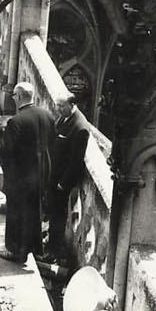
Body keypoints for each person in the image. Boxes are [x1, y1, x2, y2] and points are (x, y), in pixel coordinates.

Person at [0, 81, 53, 263]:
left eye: (14, 96)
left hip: (21, 177)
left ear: (18, 97)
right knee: (34, 213)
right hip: (40, 175)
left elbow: (7, 148)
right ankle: (33, 249)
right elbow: (53, 144)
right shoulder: (47, 116)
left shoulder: (17, 121)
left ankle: (16, 250)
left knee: (16, 212)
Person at [45, 92, 92, 266]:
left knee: (58, 216)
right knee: (52, 213)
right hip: (53, 176)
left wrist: (62, 184)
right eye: (57, 106)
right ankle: (50, 246)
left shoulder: (80, 128)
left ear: (72, 105)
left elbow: (75, 161)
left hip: (61, 183)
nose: (58, 110)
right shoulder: (64, 119)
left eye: (61, 106)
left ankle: (55, 251)